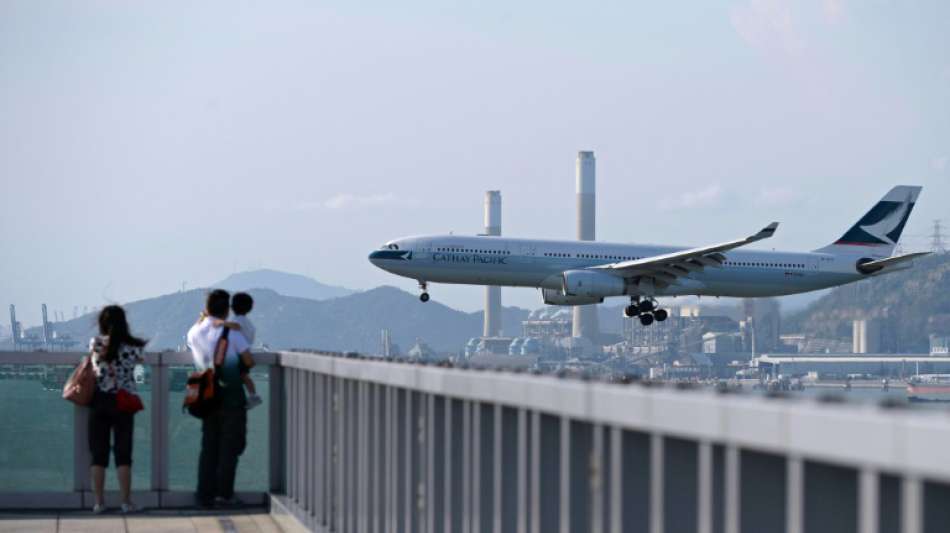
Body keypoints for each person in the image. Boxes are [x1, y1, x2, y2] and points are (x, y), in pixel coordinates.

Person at [187, 289, 255, 508]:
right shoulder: (231, 334)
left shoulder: (194, 332)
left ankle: (204, 495)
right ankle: (224, 494)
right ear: (227, 309)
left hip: (206, 395)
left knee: (209, 446)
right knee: (230, 446)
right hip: (231, 396)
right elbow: (248, 360)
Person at [88, 305, 147, 514]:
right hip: (124, 402)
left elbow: (95, 370)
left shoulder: (96, 343)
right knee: (123, 455)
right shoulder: (134, 347)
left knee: (98, 455)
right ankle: (125, 502)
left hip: (100, 401)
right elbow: (139, 369)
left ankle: (98, 503)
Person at [228, 292, 262, 409]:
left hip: (239, 355)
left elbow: (235, 327)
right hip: (244, 353)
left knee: (242, 376)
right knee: (244, 376)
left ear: (232, 307)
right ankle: (252, 395)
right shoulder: (247, 322)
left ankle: (253, 396)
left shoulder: (238, 320)